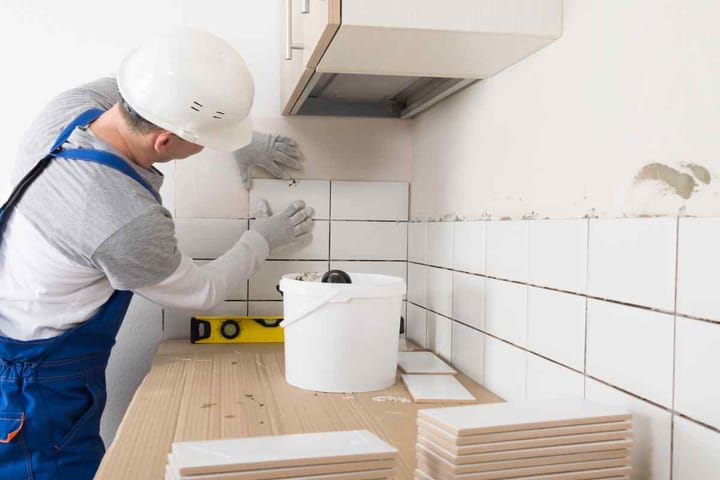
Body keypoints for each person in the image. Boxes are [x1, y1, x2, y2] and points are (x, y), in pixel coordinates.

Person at [0, 28, 314, 479]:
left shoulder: (68, 110)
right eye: (206, 141)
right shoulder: (125, 220)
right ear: (164, 143)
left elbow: (155, 89)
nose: (210, 147)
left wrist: (241, 140)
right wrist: (263, 237)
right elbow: (202, 292)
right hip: (35, 391)